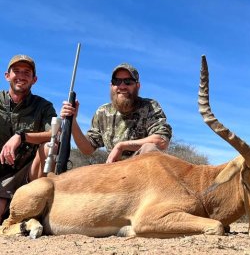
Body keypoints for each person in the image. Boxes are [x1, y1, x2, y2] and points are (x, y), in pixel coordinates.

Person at [61, 63, 172, 163]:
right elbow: (87, 149)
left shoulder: (150, 106)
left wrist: (121, 146)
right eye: (117, 82)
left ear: (137, 86)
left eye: (128, 82)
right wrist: (73, 121)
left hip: (141, 171)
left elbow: (161, 141)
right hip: (114, 171)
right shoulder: (102, 112)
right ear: (111, 86)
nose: (122, 86)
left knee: (149, 149)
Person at [0, 54, 57, 222]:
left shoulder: (43, 106)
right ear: (7, 75)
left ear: (34, 79)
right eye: (16, 71)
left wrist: (22, 136)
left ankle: (36, 208)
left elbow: (55, 134)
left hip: (26, 173)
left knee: (50, 147)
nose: (21, 76)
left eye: (27, 72)